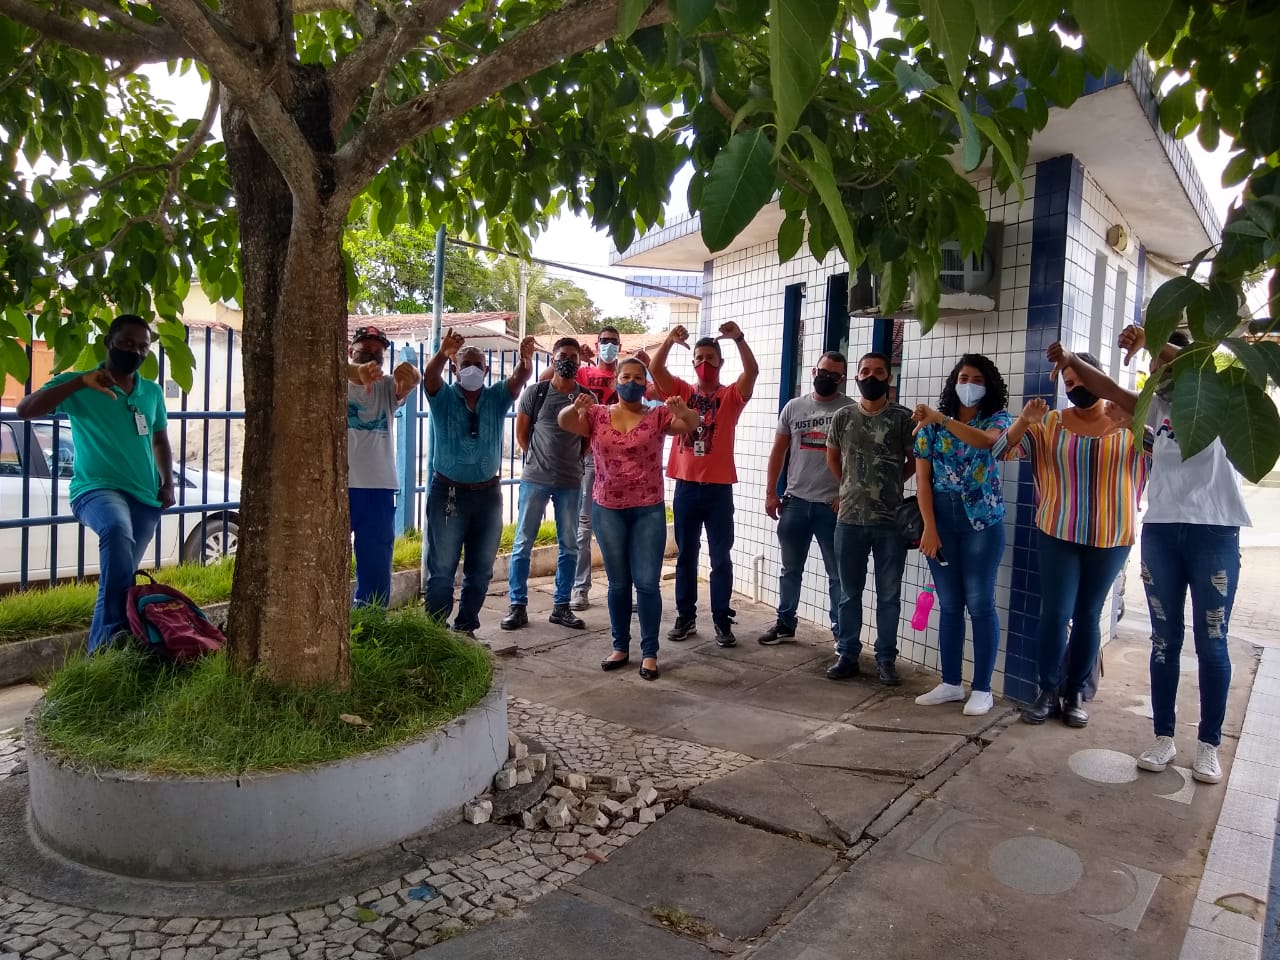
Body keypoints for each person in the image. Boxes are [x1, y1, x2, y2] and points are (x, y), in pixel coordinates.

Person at [1049, 328, 1248, 784]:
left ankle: (1209, 744)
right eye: (1155, 365)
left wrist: (1151, 339)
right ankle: (1163, 737)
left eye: (1164, 361)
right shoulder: (1154, 409)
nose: (1158, 369)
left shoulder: (1220, 397)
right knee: (1164, 641)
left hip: (1214, 531)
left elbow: (1188, 364)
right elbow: (1106, 388)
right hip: (1161, 531)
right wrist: (1071, 359)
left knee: (1212, 642)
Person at [995, 347, 1149, 729]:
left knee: (1088, 615)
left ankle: (1076, 692)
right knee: (1056, 612)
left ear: (1098, 378)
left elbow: (1168, 453)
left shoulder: (1129, 420)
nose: (1075, 387)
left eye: (1080, 378)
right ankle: (1047, 690)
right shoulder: (1050, 422)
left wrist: (1134, 423)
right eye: (1068, 382)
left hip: (1112, 535)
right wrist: (1023, 421)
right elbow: (1001, 451)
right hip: (1058, 531)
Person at [15, 314, 174, 652]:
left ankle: (100, 654)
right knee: (116, 530)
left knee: (119, 579)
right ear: (108, 342)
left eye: (143, 346)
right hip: (96, 489)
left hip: (145, 497)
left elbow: (160, 440)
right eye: (127, 343)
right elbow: (25, 410)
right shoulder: (80, 384)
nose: (135, 351)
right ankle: (114, 634)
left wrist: (168, 484)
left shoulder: (151, 392)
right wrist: (80, 383)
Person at [558, 358, 698, 679]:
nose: (631, 382)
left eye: (638, 378)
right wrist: (575, 407)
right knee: (618, 583)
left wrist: (683, 410)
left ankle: (649, 653)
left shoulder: (658, 415)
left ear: (646, 384)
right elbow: (565, 422)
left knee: (647, 583)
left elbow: (691, 423)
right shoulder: (596, 414)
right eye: (625, 377)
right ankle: (620, 646)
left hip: (648, 510)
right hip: (607, 509)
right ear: (615, 382)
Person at [910, 355, 1013, 716]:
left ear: (989, 386)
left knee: (980, 602)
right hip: (941, 520)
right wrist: (929, 527)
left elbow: (985, 442)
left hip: (982, 523)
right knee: (950, 603)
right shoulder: (930, 427)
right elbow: (922, 481)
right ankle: (951, 683)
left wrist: (942, 419)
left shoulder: (997, 419)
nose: (969, 384)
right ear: (954, 382)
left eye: (978, 379)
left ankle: (982, 689)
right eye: (964, 377)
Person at [649, 321, 759, 647]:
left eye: (710, 358)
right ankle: (686, 617)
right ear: (693, 362)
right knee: (686, 555)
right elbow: (655, 369)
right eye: (699, 358)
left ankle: (722, 619)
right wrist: (670, 340)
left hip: (718, 489)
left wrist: (739, 338)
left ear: (721, 362)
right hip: (686, 487)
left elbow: (752, 372)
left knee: (720, 557)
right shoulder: (682, 392)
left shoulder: (730, 396)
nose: (704, 363)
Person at [422, 329, 535, 636]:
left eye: (478, 365)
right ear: (455, 369)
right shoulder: (444, 398)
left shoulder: (496, 398)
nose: (472, 369)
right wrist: (442, 353)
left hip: (488, 496)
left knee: (481, 570)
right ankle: (434, 633)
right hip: (448, 494)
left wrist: (526, 360)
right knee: (442, 570)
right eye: (466, 364)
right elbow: (429, 378)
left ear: (485, 371)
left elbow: (519, 378)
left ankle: (465, 628)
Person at [824, 352, 915, 685]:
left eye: (879, 372)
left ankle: (886, 658)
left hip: (890, 522)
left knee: (889, 596)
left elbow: (913, 460)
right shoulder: (843, 416)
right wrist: (851, 487)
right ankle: (847, 654)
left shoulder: (903, 418)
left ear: (889, 378)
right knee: (849, 594)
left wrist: (892, 485)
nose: (871, 377)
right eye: (865, 371)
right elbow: (833, 458)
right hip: (849, 519)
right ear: (856, 377)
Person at [758, 351, 853, 645]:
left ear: (842, 379)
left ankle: (840, 633)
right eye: (823, 372)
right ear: (814, 371)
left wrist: (845, 494)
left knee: (837, 575)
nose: (827, 378)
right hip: (795, 501)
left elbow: (857, 459)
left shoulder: (851, 410)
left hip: (832, 506)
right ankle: (785, 623)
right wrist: (771, 492)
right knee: (790, 570)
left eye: (834, 375)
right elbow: (778, 452)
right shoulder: (794, 407)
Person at [502, 337, 589, 632]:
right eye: (563, 356)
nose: (568, 361)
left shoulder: (585, 397)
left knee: (569, 545)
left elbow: (588, 438)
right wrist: (538, 460)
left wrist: (573, 461)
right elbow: (522, 433)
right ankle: (517, 606)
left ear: (579, 362)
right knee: (522, 543)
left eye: (573, 357)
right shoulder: (536, 392)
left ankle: (561, 606)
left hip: (570, 481)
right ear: (553, 359)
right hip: (535, 479)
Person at [568, 327, 650, 611]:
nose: (609, 345)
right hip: (593, 456)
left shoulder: (630, 375)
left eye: (614, 341)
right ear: (596, 344)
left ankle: (632, 590)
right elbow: (552, 378)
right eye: (604, 341)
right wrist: (577, 359)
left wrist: (648, 367)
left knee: (629, 527)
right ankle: (580, 588)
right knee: (584, 526)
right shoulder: (585, 373)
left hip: (628, 457)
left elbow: (656, 394)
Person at [346, 325, 421, 607]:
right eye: (365, 349)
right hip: (338, 487)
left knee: (376, 569)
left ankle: (370, 624)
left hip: (378, 488)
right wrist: (356, 372)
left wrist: (411, 375)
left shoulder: (387, 386)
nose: (372, 356)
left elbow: (411, 382)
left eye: (379, 352)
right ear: (350, 351)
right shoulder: (333, 381)